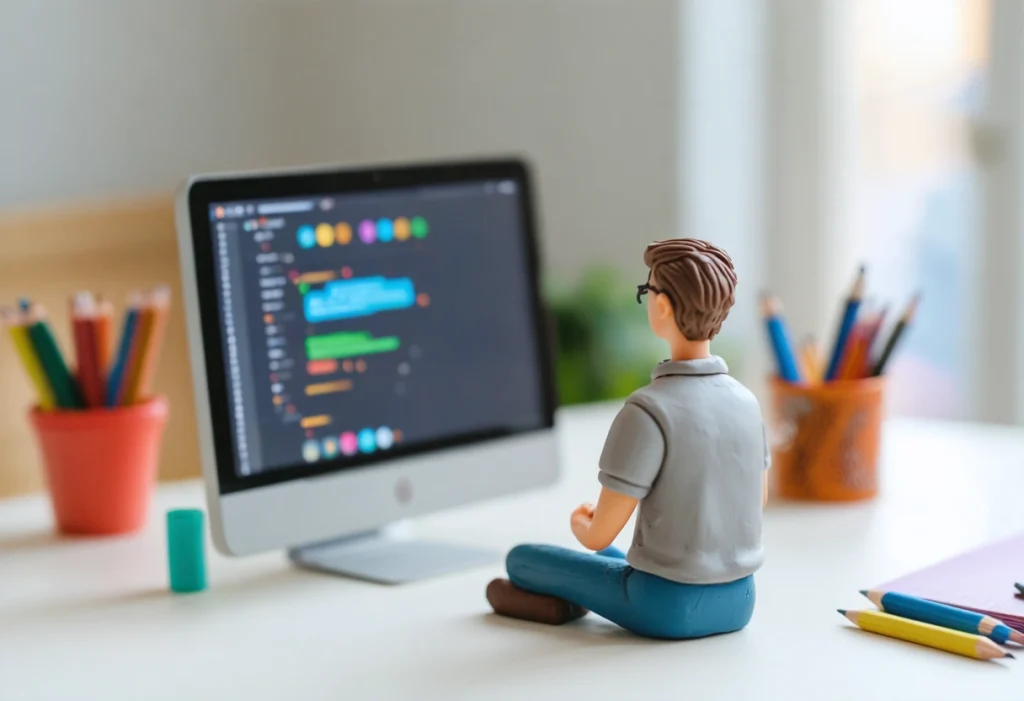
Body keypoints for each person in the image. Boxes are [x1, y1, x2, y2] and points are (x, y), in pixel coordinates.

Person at [486, 238, 770, 639]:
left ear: (663, 306)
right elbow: (754, 502)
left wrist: (582, 525)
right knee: (611, 563)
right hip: (740, 601)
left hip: (666, 606)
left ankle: (558, 599)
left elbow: (601, 535)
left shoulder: (649, 409)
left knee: (523, 561)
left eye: (646, 291)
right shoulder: (748, 403)